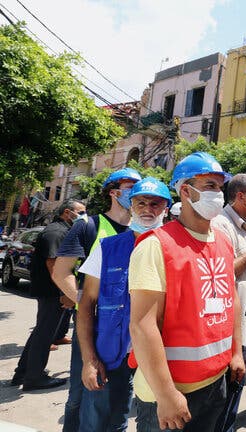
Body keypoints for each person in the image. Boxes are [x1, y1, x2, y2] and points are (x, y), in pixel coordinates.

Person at [128, 152, 245, 432]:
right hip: (171, 391)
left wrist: (236, 352)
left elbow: (232, 299)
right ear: (185, 191)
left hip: (215, 382)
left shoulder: (222, 242)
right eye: (209, 186)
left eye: (220, 186)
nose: (218, 194)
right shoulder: (155, 246)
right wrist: (167, 394)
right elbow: (143, 326)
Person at [76, 177, 171, 432]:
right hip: (110, 359)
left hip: (156, 360)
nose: (147, 209)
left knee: (151, 424)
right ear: (130, 207)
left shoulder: (173, 249)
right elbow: (85, 306)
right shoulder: (107, 248)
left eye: (155, 203)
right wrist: (89, 359)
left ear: (167, 209)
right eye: (140, 202)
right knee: (100, 424)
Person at [52, 167, 141, 432]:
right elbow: (61, 271)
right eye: (130, 188)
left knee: (120, 393)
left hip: (129, 328)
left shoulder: (143, 228)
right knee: (82, 393)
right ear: (114, 192)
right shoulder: (89, 225)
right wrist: (85, 302)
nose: (136, 193)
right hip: (94, 326)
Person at [11, 199, 86, 391]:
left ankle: (24, 372)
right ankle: (34, 378)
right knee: (44, 334)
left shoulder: (60, 230)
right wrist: (67, 293)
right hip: (52, 292)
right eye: (81, 212)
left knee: (41, 332)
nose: (84, 216)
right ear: (68, 213)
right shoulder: (56, 232)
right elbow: (53, 265)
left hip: (51, 290)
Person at [211, 173, 246, 429]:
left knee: (236, 390)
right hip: (231, 321)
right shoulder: (221, 225)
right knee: (227, 392)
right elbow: (221, 274)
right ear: (241, 196)